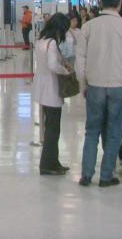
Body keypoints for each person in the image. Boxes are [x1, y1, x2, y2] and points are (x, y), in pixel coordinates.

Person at [76, 0, 122, 188]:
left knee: (92, 131)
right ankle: (106, 176)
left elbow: (80, 60)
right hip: (119, 85)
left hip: (95, 84)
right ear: (120, 3)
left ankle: (86, 175)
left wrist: (83, 83)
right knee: (114, 131)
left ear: (100, 3)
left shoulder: (89, 27)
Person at [34, 13, 73, 176]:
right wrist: (65, 71)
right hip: (51, 88)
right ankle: (48, 164)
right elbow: (52, 65)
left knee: (50, 126)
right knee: (53, 129)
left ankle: (51, 162)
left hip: (41, 86)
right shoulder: (51, 44)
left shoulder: (40, 41)